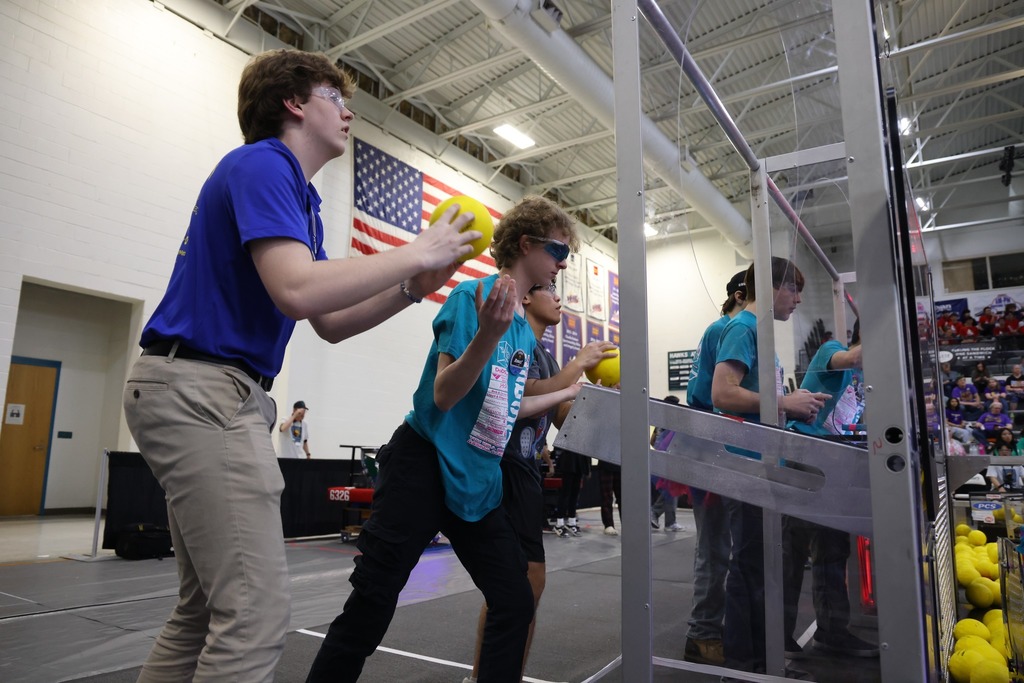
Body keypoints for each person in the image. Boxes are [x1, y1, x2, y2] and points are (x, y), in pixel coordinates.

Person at [122, 50, 481, 682]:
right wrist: (413, 251)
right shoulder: (264, 164)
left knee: (204, 610)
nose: (347, 112)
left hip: (198, 388)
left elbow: (330, 320)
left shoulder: (300, 199)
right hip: (204, 391)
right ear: (294, 103)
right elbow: (297, 288)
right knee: (255, 615)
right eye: (335, 99)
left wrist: (417, 283)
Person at [305, 196, 584, 683]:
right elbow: (443, 393)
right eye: (559, 251)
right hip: (424, 465)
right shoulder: (471, 298)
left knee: (515, 600)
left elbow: (507, 408)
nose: (563, 264)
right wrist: (486, 338)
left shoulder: (521, 330)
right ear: (526, 244)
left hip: (475, 480)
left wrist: (569, 389)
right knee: (373, 600)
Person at [464, 280, 615, 683]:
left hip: (527, 470)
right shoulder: (517, 343)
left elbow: (561, 418)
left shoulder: (549, 358)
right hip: (503, 468)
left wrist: (596, 395)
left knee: (529, 587)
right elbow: (520, 395)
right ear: (526, 297)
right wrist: (579, 365)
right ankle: (484, 676)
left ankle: (500, 674)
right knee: (514, 589)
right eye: (548, 287)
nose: (558, 295)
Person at [710, 257, 827, 676]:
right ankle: (746, 666)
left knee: (760, 571)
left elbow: (760, 402)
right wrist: (785, 403)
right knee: (749, 572)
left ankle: (759, 662)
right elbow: (722, 394)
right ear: (772, 287)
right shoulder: (742, 327)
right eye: (793, 289)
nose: (797, 299)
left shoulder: (757, 332)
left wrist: (796, 409)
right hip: (747, 465)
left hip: (762, 462)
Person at [782, 321, 878, 659]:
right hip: (805, 457)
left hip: (832, 464)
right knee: (791, 550)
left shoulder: (862, 382)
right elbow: (851, 358)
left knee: (833, 550)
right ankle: (777, 633)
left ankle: (833, 630)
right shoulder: (831, 351)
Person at [679, 269, 747, 666]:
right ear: (742, 294)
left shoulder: (740, 329)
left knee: (732, 547)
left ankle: (715, 628)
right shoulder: (726, 329)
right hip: (715, 449)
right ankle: (703, 632)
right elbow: (709, 395)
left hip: (733, 450)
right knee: (716, 546)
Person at [650, 395, 683, 532]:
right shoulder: (673, 423)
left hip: (658, 459)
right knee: (671, 490)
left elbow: (652, 441)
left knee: (669, 490)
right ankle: (657, 514)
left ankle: (669, 521)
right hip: (669, 460)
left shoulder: (659, 422)